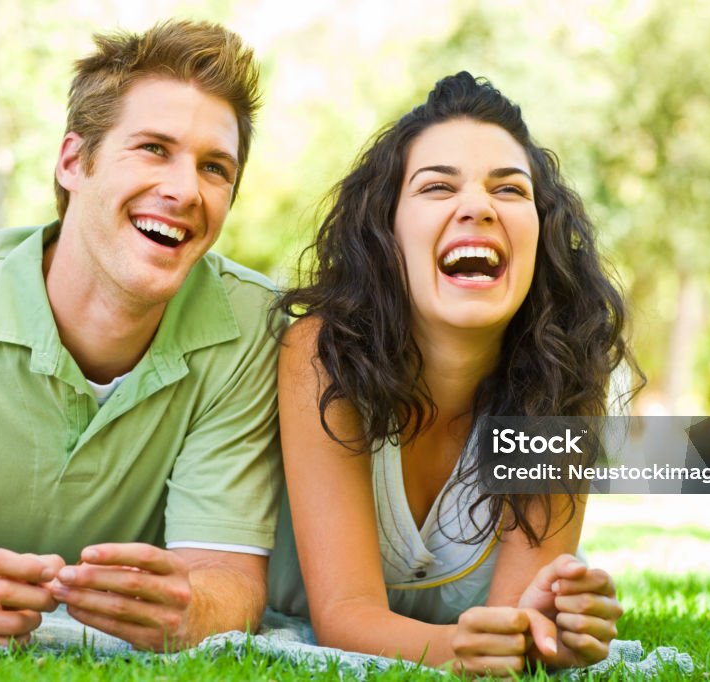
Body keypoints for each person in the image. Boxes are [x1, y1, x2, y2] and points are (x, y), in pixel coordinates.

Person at [0, 20, 281, 651]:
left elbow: (228, 576)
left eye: (215, 168)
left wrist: (192, 608)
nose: (183, 190)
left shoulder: (252, 324)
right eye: (152, 148)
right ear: (71, 163)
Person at [268, 72, 640, 675]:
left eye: (510, 190)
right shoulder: (322, 353)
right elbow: (344, 613)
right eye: (438, 187)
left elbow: (515, 628)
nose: (477, 207)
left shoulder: (569, 377)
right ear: (387, 231)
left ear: (541, 234)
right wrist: (464, 654)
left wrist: (552, 631)